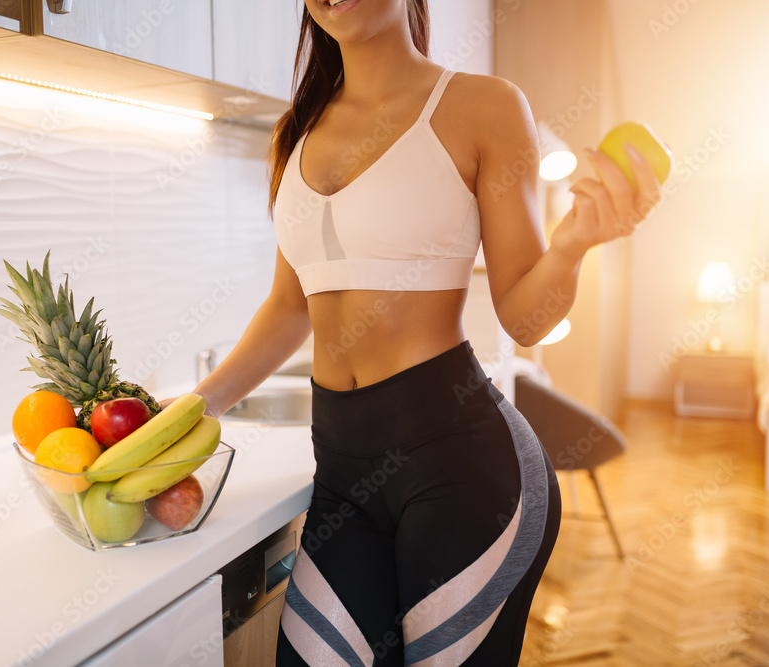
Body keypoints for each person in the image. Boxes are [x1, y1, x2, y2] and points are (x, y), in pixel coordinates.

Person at [181, 1, 662, 665]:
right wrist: (193, 407)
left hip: (463, 469)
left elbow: (524, 315)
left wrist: (574, 244)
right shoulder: (295, 130)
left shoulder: (483, 106)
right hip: (345, 475)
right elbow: (289, 304)